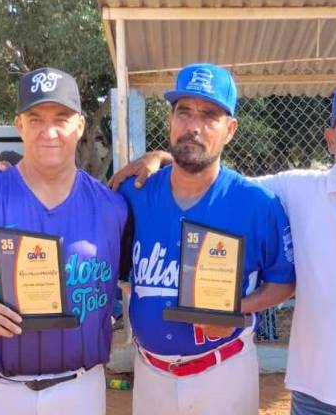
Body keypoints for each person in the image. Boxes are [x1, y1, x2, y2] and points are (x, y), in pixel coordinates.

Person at [112, 76, 336, 415]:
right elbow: (210, 177)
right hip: (313, 394)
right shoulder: (298, 190)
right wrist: (171, 155)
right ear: (331, 138)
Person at [0, 67, 129, 415]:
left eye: (61, 118)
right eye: (36, 119)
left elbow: (133, 281)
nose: (49, 132)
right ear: (19, 125)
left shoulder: (111, 207)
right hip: (1, 392)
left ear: (79, 125)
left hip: (81, 389)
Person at [117, 63, 295, 415]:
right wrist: (4, 163)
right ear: (170, 120)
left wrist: (235, 310)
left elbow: (284, 281)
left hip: (222, 372)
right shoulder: (135, 191)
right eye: (184, 112)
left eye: (209, 115)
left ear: (230, 129)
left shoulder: (257, 203)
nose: (193, 126)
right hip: (150, 375)